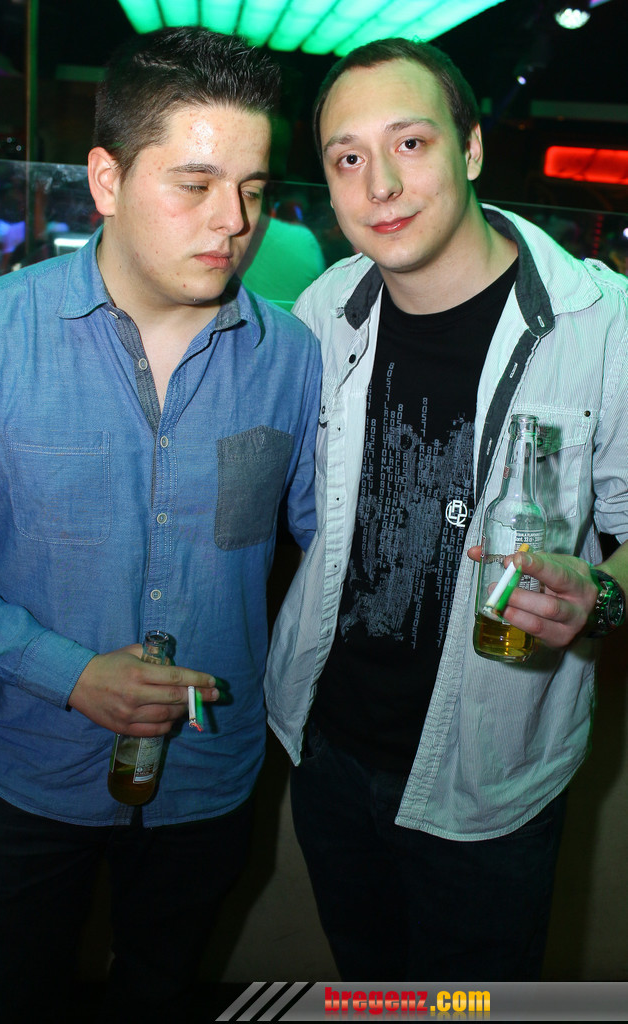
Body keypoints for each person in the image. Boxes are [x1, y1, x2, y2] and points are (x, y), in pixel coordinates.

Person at [0, 27, 320, 1022]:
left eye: (251, 188)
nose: (234, 221)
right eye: (195, 184)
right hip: (30, 771)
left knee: (162, 994)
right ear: (105, 180)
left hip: (210, 776)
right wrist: (69, 672)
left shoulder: (292, 356)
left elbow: (326, 543)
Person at [265, 37, 628, 982]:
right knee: (369, 986)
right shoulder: (323, 311)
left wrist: (603, 596)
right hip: (329, 749)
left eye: (411, 143)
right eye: (348, 157)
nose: (380, 184)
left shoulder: (602, 325)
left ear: (470, 148)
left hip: (489, 780)